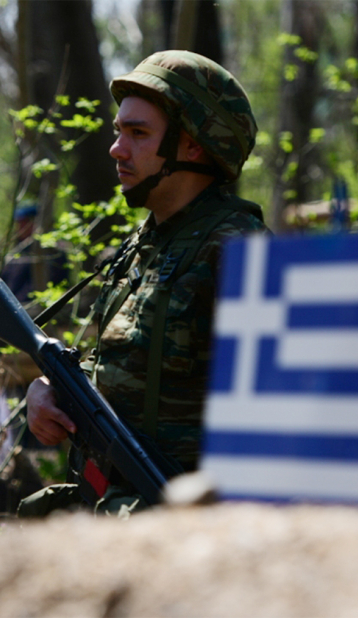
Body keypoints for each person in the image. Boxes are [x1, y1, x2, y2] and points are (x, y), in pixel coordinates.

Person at [20, 51, 268, 516]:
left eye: (137, 134)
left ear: (192, 146)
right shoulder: (142, 245)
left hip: (187, 528)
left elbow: (275, 422)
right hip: (107, 505)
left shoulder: (236, 249)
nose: (116, 148)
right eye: (119, 131)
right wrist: (45, 391)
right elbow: (116, 366)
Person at [0, 202, 70, 304]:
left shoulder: (53, 252)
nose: (19, 227)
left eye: (24, 222)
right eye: (18, 223)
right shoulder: (17, 253)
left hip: (36, 309)